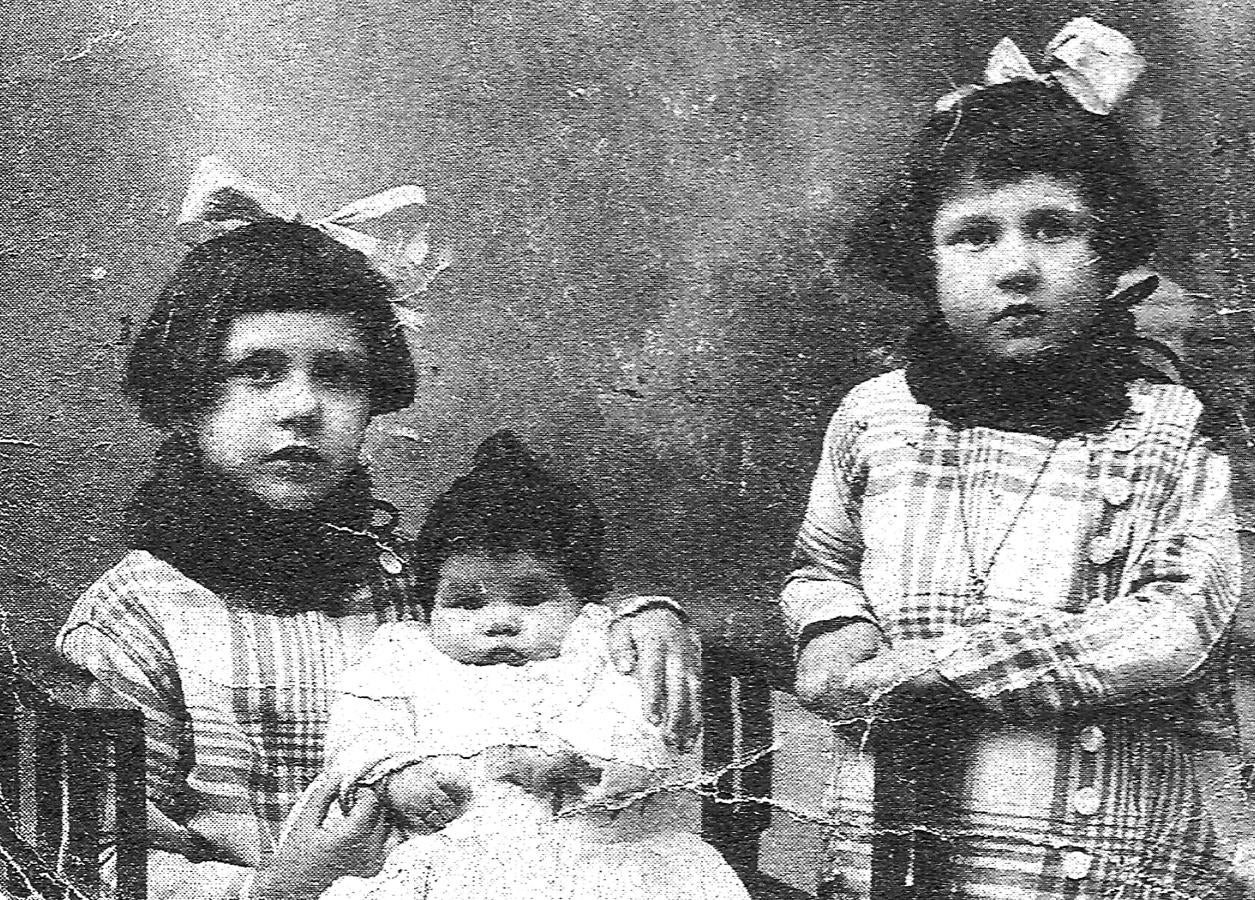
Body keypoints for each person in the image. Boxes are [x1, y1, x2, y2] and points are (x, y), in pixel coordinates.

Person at [56, 162, 701, 900]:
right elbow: (97, 861)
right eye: (259, 373)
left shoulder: (401, 579)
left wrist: (639, 621)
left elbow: (531, 634)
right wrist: (277, 887)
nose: (301, 407)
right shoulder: (135, 614)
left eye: (337, 375)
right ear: (189, 397)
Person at [782, 19, 1245, 900]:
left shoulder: (1165, 428)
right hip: (901, 837)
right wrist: (833, 627)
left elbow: (1176, 626)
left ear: (1108, 250)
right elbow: (820, 564)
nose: (1016, 267)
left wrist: (952, 670)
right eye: (974, 236)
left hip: (1102, 852)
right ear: (925, 260)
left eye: (1052, 229)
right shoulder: (876, 416)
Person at [306, 430, 748, 900]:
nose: (498, 621)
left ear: (582, 598)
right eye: (466, 602)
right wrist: (393, 773)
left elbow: (642, 720)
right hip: (450, 861)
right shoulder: (405, 652)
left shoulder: (598, 642)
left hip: (598, 854)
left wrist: (576, 757)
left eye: (531, 597)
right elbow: (359, 726)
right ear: (429, 602)